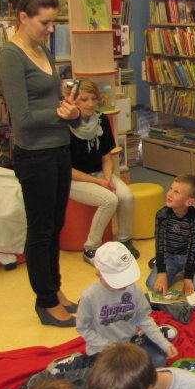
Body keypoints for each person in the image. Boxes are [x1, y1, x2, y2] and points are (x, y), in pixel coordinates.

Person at [0, 0, 81, 328]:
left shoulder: (41, 48)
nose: (50, 29)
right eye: (44, 22)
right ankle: (45, 302)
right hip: (34, 155)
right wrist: (61, 113)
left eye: (53, 22)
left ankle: (55, 288)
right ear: (22, 18)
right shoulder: (10, 56)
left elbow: (49, 98)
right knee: (41, 229)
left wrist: (69, 108)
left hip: (58, 148)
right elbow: (23, 117)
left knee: (55, 225)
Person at [68, 78, 139, 264]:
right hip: (74, 180)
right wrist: (100, 183)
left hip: (99, 173)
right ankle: (91, 247)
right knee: (109, 200)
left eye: (94, 98)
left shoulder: (101, 120)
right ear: (73, 101)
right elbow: (67, 170)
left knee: (127, 196)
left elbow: (106, 158)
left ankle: (124, 240)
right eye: (84, 99)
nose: (90, 104)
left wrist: (107, 178)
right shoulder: (64, 126)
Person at [78, 241, 177, 368]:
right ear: (99, 274)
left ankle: (147, 338)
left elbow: (144, 319)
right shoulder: (89, 296)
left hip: (130, 344)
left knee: (158, 361)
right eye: (118, 280)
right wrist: (107, 345)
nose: (124, 285)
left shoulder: (134, 289)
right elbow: (84, 328)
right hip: (103, 350)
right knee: (113, 374)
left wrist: (163, 343)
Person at [145, 174, 195, 297]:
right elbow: (160, 243)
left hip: (190, 257)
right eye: (170, 189)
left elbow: (193, 248)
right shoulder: (162, 214)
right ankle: (164, 267)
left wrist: (188, 277)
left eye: (176, 192)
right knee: (153, 286)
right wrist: (161, 272)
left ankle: (185, 271)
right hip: (169, 256)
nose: (169, 194)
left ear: (189, 201)